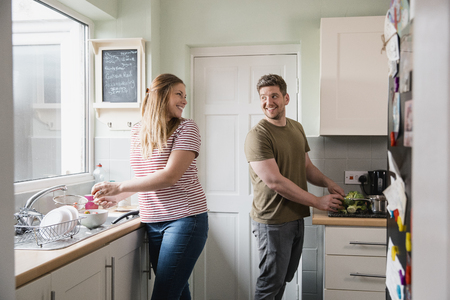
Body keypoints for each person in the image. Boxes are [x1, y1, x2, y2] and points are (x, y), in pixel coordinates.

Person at [91, 73, 208, 300]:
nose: (184, 100)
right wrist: (118, 196)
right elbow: (144, 176)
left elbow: (169, 176)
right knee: (177, 292)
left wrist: (118, 187)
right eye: (179, 94)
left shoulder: (187, 128)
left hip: (185, 219)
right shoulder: (137, 131)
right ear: (161, 95)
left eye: (185, 96)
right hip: (152, 220)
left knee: (165, 294)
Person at [244, 74, 345, 300]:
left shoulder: (296, 128)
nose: (268, 102)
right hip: (272, 221)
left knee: (282, 281)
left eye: (274, 96)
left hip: (295, 217)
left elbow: (306, 167)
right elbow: (275, 182)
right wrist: (317, 201)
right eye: (263, 97)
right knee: (270, 283)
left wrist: (328, 183)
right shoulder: (257, 136)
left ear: (286, 98)